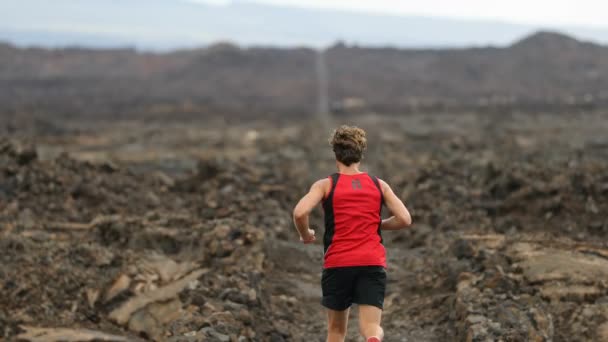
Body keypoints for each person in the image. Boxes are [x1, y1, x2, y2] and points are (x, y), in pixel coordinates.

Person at [293, 125, 412, 342]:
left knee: (337, 332)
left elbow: (300, 212)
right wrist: (377, 223)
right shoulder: (379, 185)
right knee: (372, 326)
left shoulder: (325, 185)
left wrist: (306, 235)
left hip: (338, 262)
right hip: (371, 261)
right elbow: (405, 219)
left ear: (335, 154)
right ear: (360, 154)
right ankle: (373, 339)